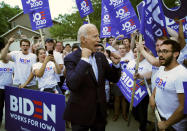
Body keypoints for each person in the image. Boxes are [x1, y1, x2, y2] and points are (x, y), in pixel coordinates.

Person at [63, 24, 121, 131]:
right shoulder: (70, 58)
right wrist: (84, 59)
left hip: (100, 114)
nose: (98, 40)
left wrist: (117, 65)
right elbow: (72, 84)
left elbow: (114, 78)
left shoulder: (100, 56)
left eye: (98, 36)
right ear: (83, 39)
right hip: (80, 114)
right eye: (95, 36)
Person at [150, 40, 187, 131]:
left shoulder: (183, 75)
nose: (161, 55)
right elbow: (158, 85)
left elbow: (185, 107)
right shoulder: (162, 68)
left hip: (174, 125)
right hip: (160, 117)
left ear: (175, 54)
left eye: (165, 51)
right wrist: (152, 96)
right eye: (159, 51)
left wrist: (166, 124)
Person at [0, 38, 14, 127]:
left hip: (10, 89)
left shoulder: (12, 64)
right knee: (0, 107)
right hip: (0, 89)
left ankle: (10, 124)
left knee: (10, 108)